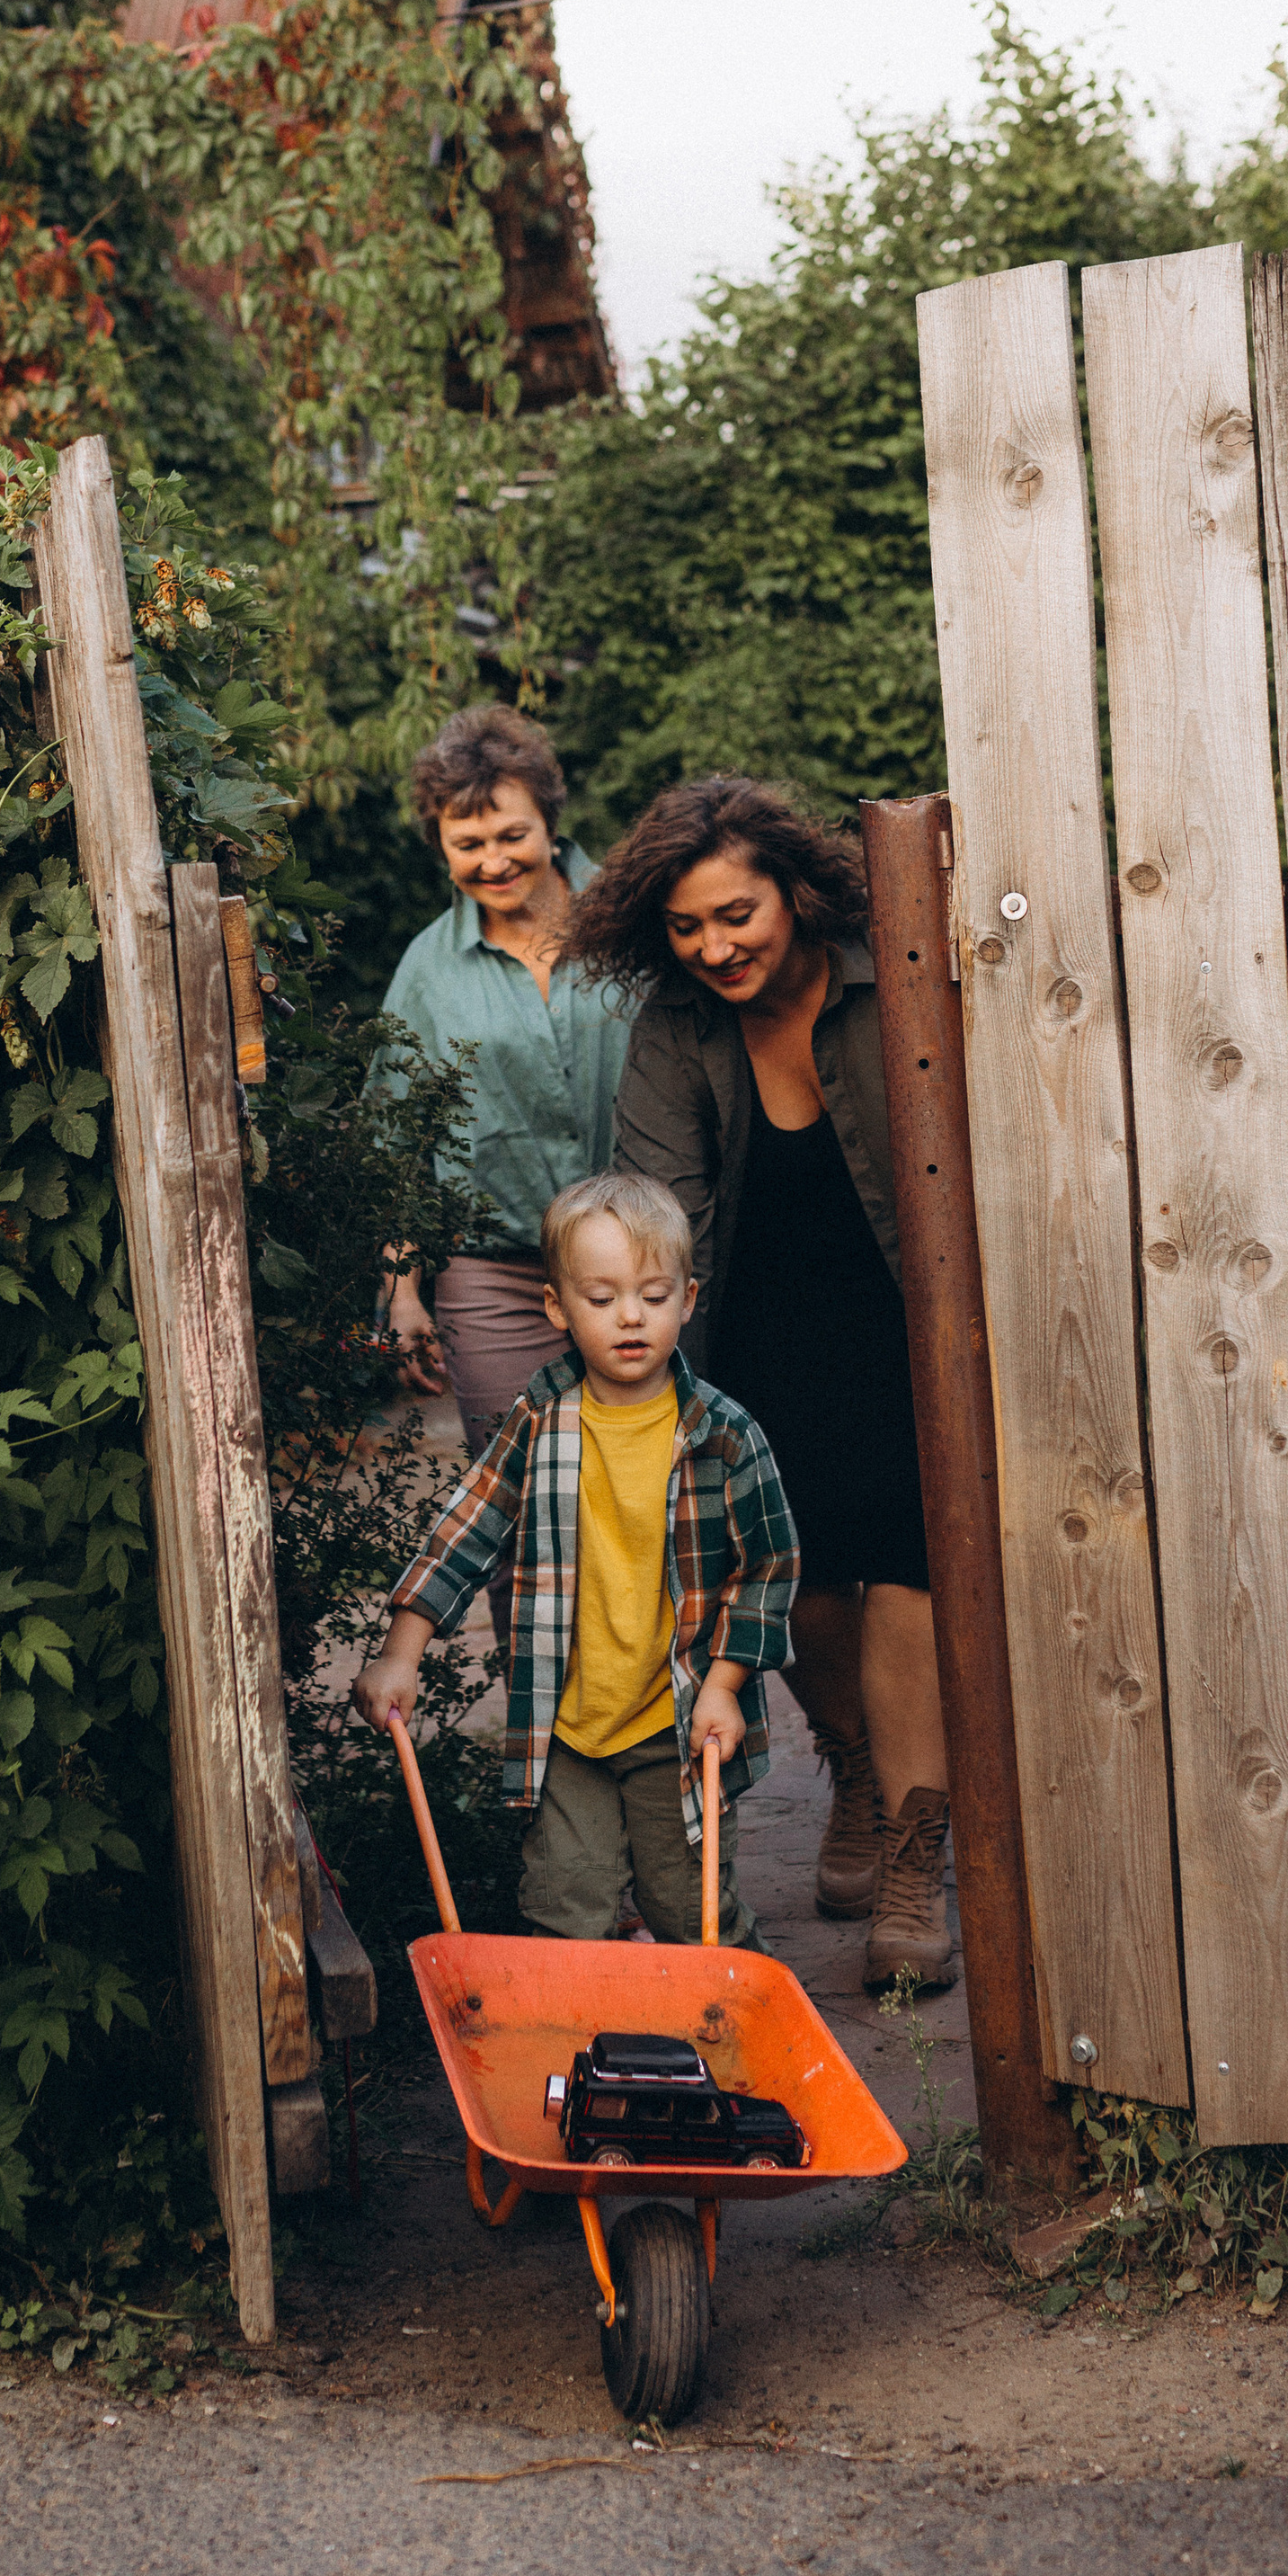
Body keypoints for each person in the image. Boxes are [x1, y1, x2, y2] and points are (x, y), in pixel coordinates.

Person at [566, 776, 954, 1995]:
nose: (716, 947)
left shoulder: (885, 972)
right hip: (757, 1330)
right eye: (687, 928)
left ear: (795, 891)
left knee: (900, 1566)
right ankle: (848, 1759)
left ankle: (913, 1846)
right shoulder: (675, 1030)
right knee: (799, 1585)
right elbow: (661, 1206)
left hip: (903, 1320)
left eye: (737, 915)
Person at [352, 1172, 797, 1949]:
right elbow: (465, 1532)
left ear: (687, 1300)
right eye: (602, 1299)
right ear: (557, 1307)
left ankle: (741, 2045)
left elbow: (768, 1569)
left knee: (689, 1914)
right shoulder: (540, 1420)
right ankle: (578, 2058)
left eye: (654, 1297)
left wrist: (725, 1686)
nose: (631, 1317)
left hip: (679, 1724)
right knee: (563, 1909)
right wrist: (400, 1653)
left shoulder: (724, 1435)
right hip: (567, 1728)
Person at [376, 705, 635, 1460]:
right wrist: (401, 1292)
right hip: (495, 1284)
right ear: (442, 847)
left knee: (654, 1496)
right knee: (522, 1506)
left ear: (549, 823)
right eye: (469, 844)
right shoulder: (427, 973)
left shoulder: (634, 923)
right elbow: (398, 1143)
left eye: (511, 835)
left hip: (646, 1269)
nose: (494, 860)